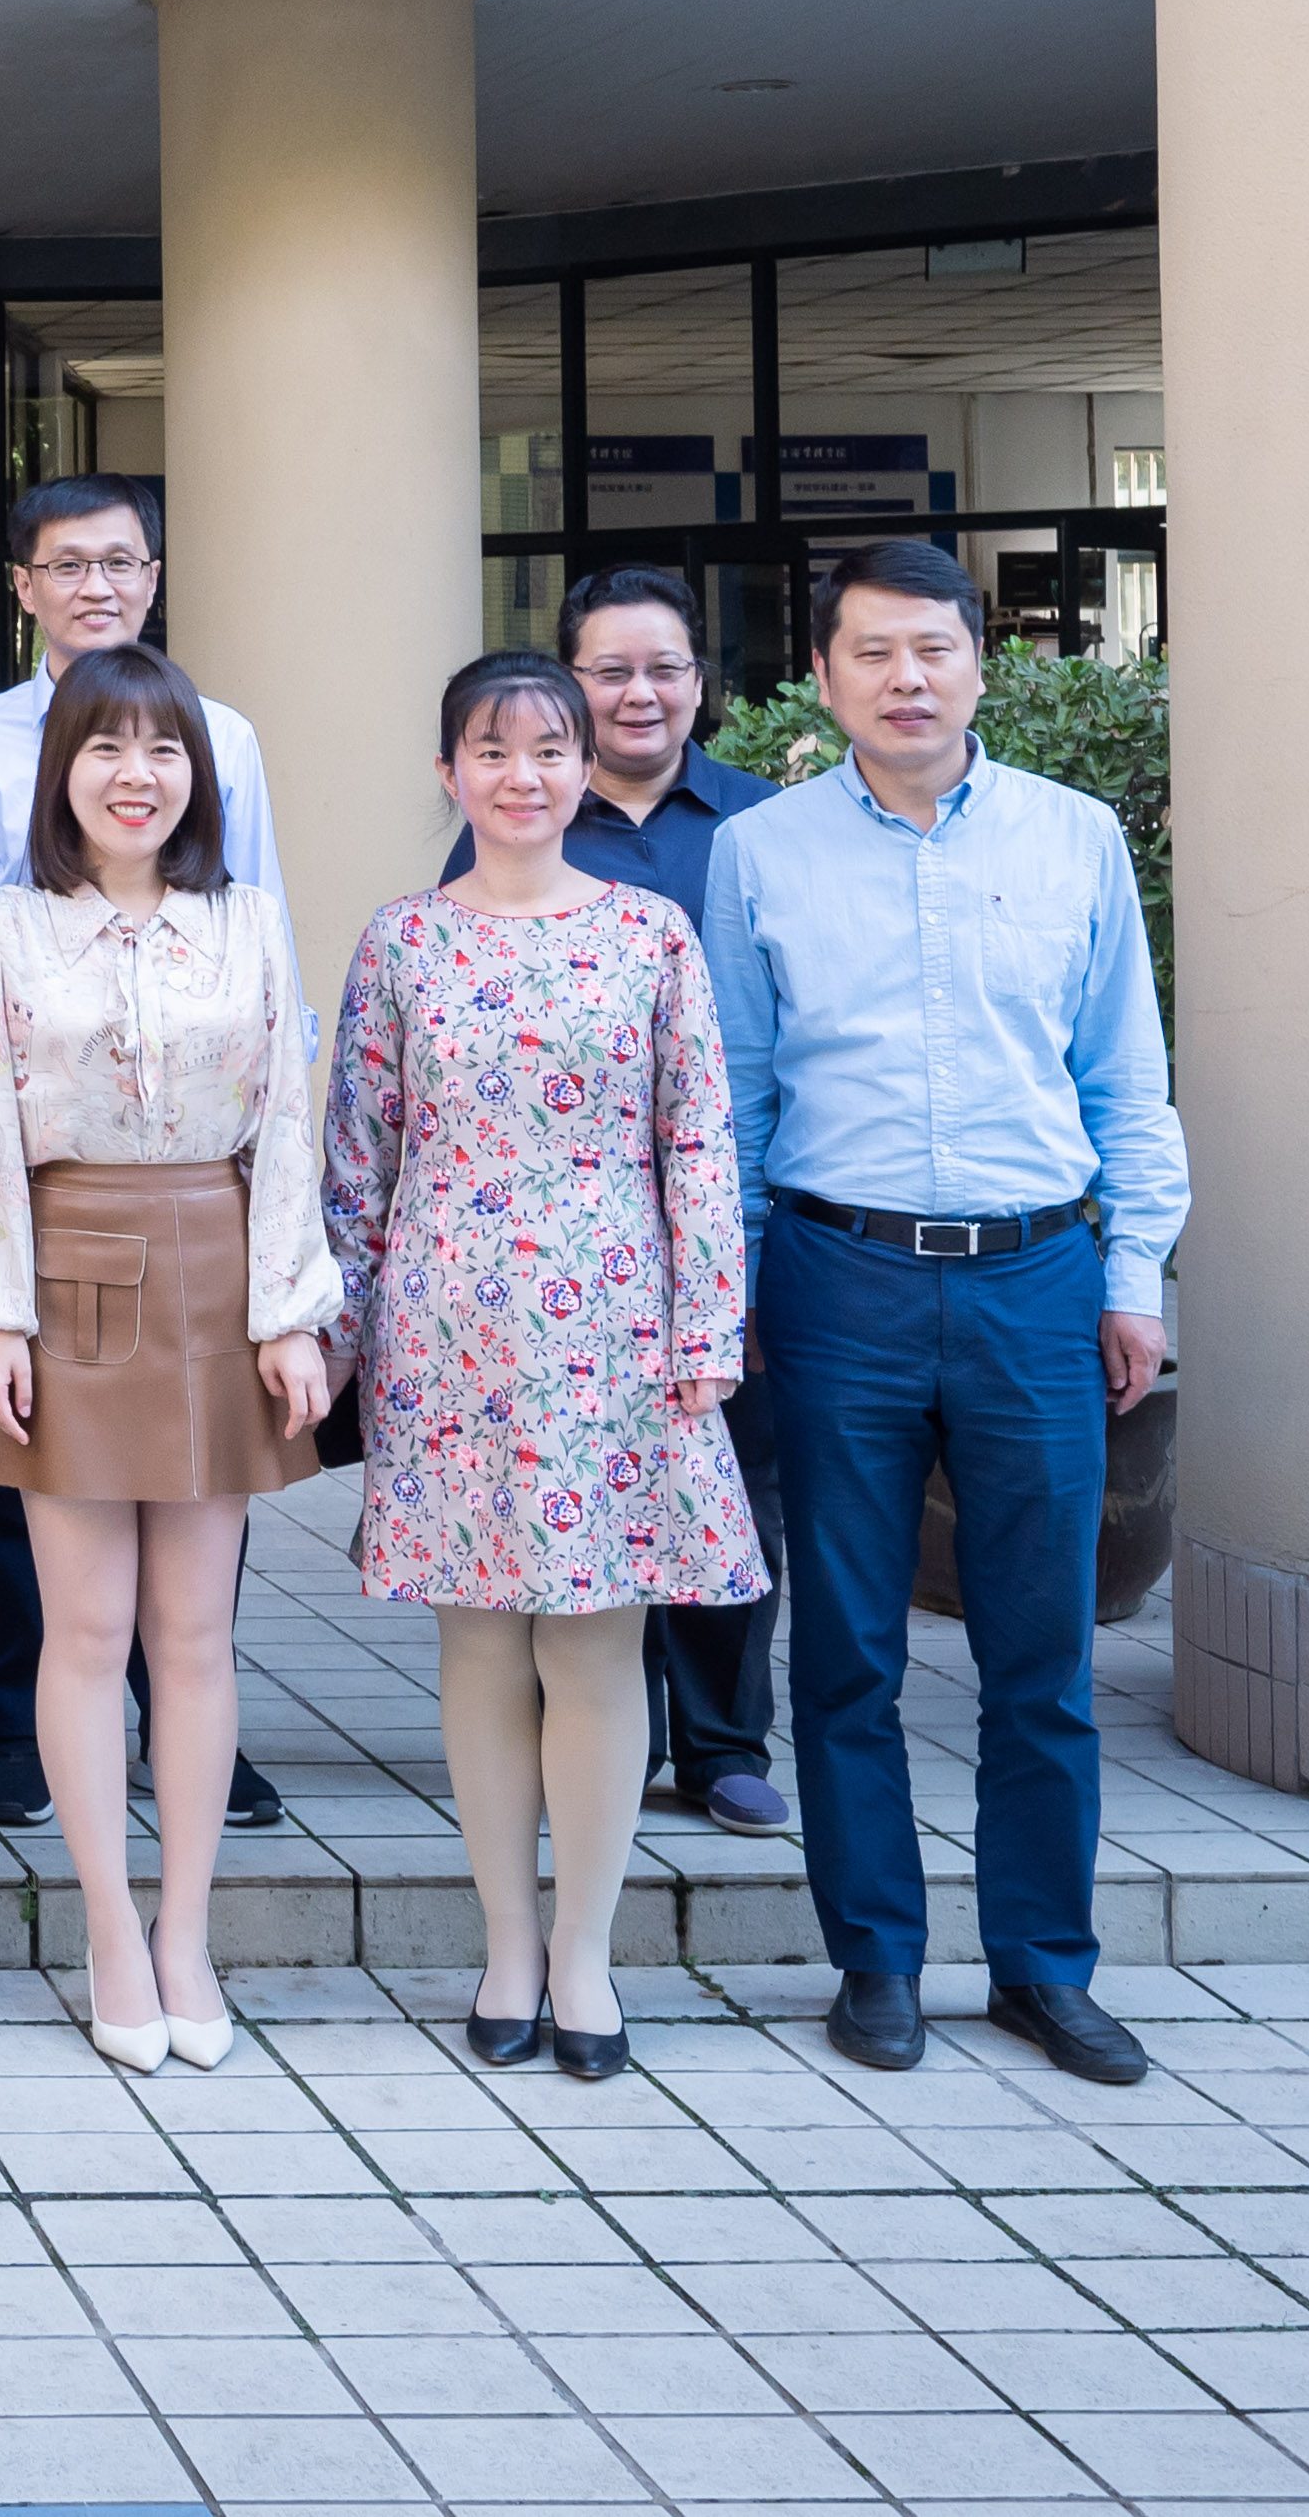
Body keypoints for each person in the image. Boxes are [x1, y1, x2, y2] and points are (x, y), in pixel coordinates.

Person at [703, 539, 1184, 2093]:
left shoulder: (1074, 837)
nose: (905, 679)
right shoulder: (759, 852)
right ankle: (877, 1958)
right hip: (834, 1274)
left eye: (933, 649)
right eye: (872, 652)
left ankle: (1044, 1964)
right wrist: (737, 1280)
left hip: (1034, 1276)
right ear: (822, 674)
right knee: (844, 1643)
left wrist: (1132, 1273)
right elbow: (736, 1087)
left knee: (1041, 1646)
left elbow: (1125, 1076)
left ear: (982, 661)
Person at [327, 653, 761, 2088]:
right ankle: (505, 1942)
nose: (522, 774)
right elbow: (357, 1161)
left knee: (591, 1643)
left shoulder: (649, 934)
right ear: (448, 771)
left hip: (613, 1332)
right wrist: (340, 1334)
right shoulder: (400, 940)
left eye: (549, 749)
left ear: (584, 769)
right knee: (477, 1645)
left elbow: (698, 1137)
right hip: (445, 1330)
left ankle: (586, 1950)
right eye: (492, 749)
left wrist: (708, 1327)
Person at [0, 641, 335, 2076]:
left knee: (194, 1633)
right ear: (60, 769)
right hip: (67, 1271)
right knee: (86, 1628)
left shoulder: (248, 921)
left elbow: (284, 1121)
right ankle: (109, 1928)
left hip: (216, 1269)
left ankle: (186, 1932)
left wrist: (289, 1308)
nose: (135, 774)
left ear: (197, 772)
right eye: (104, 746)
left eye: (163, 748)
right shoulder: (3, 925)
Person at [0, 476, 287, 1838]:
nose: (97, 584)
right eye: (68, 564)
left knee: (193, 1489)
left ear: (153, 575)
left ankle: (186, 1729)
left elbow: (259, 937)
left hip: (196, 1182)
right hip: (49, 1157)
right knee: (24, 1478)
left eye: (120, 561)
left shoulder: (223, 734)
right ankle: (22, 1727)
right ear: (24, 585)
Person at [540, 564, 796, 1840]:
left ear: (703, 680)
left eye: (664, 668)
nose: (639, 693)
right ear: (570, 683)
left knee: (730, 1470)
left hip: (731, 1210)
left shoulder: (767, 826)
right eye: (610, 670)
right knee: (585, 1470)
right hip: (571, 1228)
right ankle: (597, 1731)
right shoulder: (531, 818)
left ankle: (723, 1741)